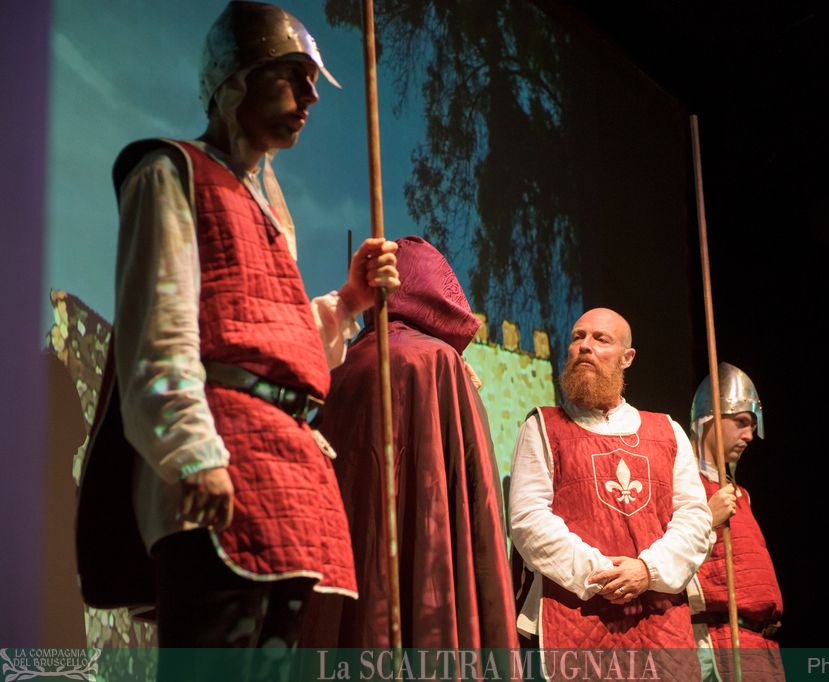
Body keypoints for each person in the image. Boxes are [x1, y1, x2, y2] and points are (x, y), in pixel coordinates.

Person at [74, 0, 400, 670]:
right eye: (292, 75)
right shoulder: (171, 173)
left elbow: (269, 341)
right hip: (226, 457)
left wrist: (349, 301)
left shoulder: (272, 210)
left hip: (290, 475)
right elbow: (158, 333)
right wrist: (191, 455)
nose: (311, 96)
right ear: (234, 80)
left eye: (312, 81)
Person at [303, 236, 518, 650]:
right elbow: (477, 493)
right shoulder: (440, 362)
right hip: (432, 573)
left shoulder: (341, 365)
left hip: (354, 562)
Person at [508, 307, 712, 677]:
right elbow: (529, 520)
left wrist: (647, 570)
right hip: (575, 617)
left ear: (626, 357)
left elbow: (695, 520)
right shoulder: (542, 427)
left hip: (660, 623)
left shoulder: (667, 431)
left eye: (600, 339)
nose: (585, 346)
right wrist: (602, 573)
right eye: (578, 337)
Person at [687, 363, 784, 680]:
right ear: (709, 418)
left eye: (752, 426)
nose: (749, 435)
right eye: (741, 422)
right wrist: (706, 516)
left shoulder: (742, 495)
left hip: (759, 645)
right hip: (715, 642)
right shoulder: (684, 486)